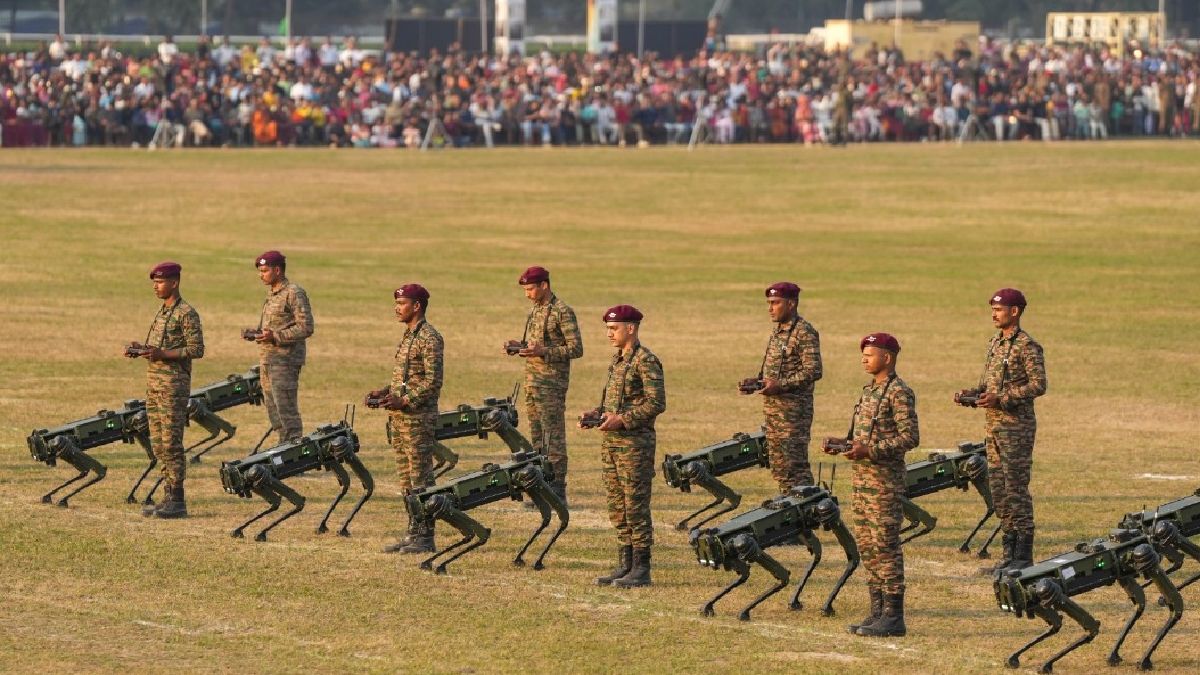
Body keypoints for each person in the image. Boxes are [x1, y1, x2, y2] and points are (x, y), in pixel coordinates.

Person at [824, 333, 918, 638]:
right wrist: (843, 443)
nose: (864, 359)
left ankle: (894, 615)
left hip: (884, 483)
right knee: (866, 545)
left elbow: (909, 438)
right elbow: (862, 438)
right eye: (863, 354)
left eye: (870, 354)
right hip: (862, 481)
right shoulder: (869, 391)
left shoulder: (899, 392)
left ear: (887, 358)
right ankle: (877, 611)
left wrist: (870, 451)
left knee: (885, 546)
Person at [958, 288, 1046, 575]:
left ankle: (1023, 556)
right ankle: (1008, 554)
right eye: (993, 309)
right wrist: (974, 395)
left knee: (1016, 488)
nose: (994, 314)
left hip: (1016, 428)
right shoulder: (995, 343)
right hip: (993, 426)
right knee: (998, 488)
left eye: (999, 309)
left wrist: (1003, 399)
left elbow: (1038, 385)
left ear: (1015, 312)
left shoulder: (1027, 346)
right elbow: (990, 384)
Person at [584, 305, 666, 588]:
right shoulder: (618, 360)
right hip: (612, 445)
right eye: (608, 328)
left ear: (630, 328)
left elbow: (656, 403)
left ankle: (642, 568)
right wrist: (597, 415)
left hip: (635, 446)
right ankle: (626, 564)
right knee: (617, 506)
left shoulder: (645, 360)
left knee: (635, 506)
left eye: (614, 328)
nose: (609, 334)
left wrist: (623, 420)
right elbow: (615, 404)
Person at [129, 262, 205, 519]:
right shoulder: (162, 312)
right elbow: (159, 347)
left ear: (174, 282)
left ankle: (178, 499)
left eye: (160, 282)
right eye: (154, 282)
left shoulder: (186, 313)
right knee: (158, 444)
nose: (155, 286)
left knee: (172, 443)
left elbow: (196, 349)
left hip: (173, 387)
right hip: (154, 386)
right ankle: (167, 495)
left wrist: (163, 354)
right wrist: (142, 349)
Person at [373, 284, 443, 554]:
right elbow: (406, 380)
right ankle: (413, 532)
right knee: (406, 480)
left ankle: (426, 536)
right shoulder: (408, 336)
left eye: (402, 303)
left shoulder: (430, 338)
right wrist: (385, 393)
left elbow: (432, 382)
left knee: (421, 478)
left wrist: (405, 401)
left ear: (417, 306)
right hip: (400, 420)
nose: (396, 308)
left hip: (417, 419)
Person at [504, 266, 583, 505]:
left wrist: (543, 351)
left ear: (544, 286)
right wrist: (520, 345)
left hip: (552, 384)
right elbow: (535, 343)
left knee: (553, 437)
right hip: (533, 382)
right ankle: (542, 484)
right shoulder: (536, 310)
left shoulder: (562, 312)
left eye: (530, 289)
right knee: (538, 437)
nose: (527, 293)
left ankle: (557, 489)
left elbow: (576, 348)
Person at [741, 282, 822, 493]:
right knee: (780, 467)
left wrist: (780, 385)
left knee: (795, 467)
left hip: (793, 415)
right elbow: (777, 368)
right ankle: (788, 505)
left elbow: (814, 371)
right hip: (774, 413)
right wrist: (757, 382)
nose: (770, 308)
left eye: (775, 303)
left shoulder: (804, 332)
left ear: (791, 304)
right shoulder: (778, 331)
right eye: (769, 303)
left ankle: (804, 509)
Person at [251, 250, 315, 445]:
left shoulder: (293, 293)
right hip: (269, 360)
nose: (261, 275)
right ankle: (283, 446)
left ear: (277, 270)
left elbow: (306, 326)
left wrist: (276, 336)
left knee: (286, 408)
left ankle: (294, 449)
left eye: (264, 270)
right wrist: (257, 333)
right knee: (274, 409)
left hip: (285, 361)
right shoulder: (272, 294)